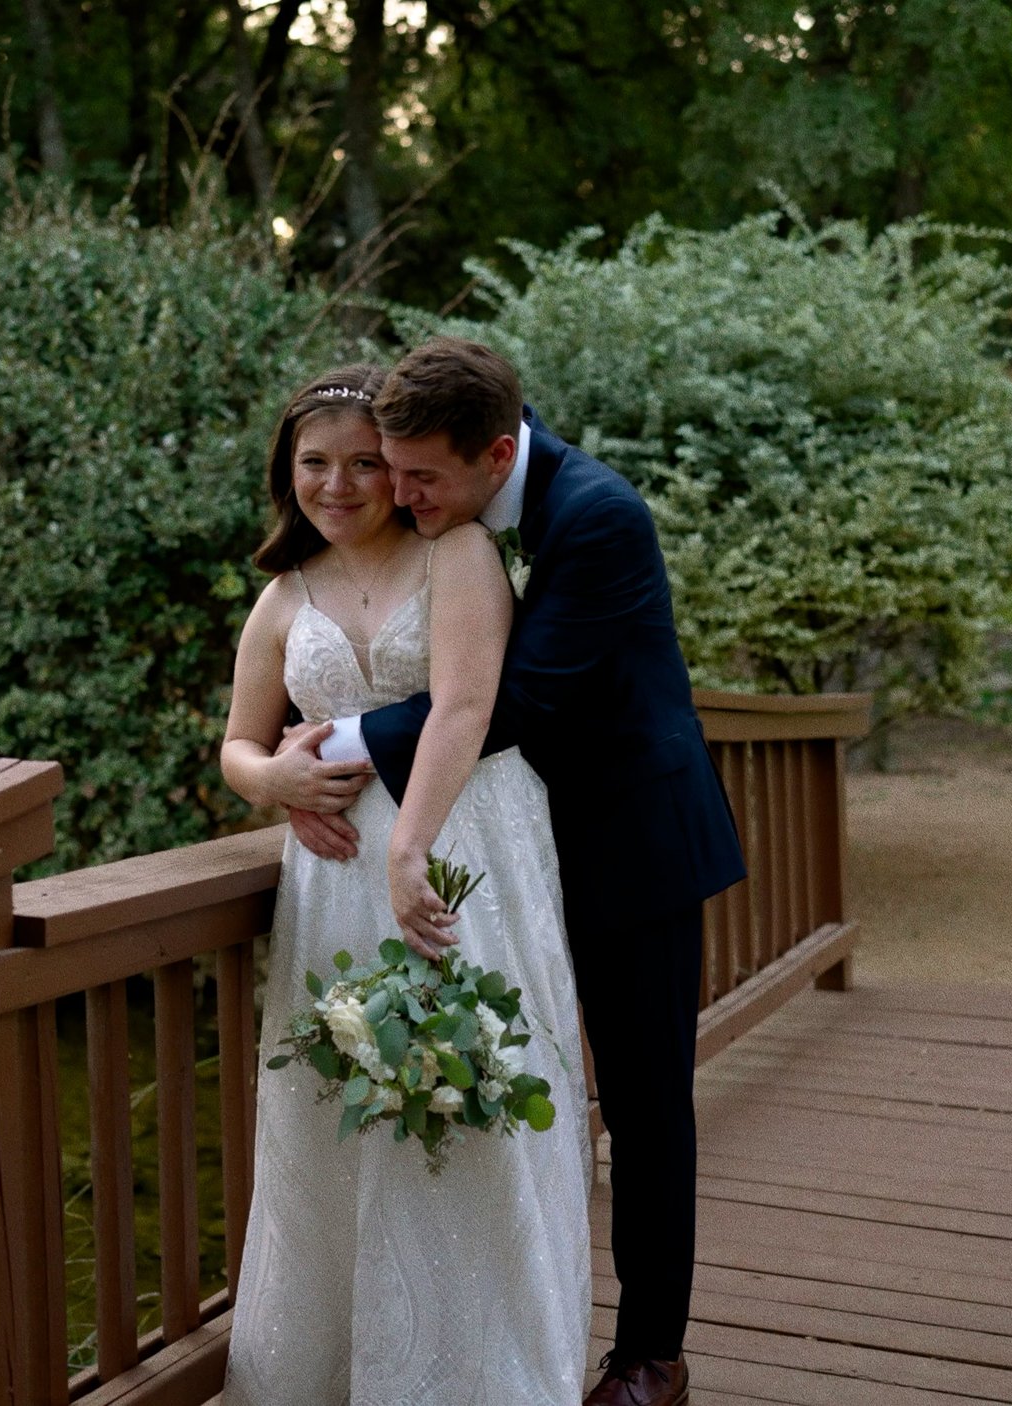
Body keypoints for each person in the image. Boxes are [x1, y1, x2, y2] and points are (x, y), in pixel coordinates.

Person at [295, 337, 745, 1406]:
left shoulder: (596, 516)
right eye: (390, 472)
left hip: (629, 839)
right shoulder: (470, 509)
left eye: (419, 478)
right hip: (512, 848)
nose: (399, 497)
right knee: (509, 1083)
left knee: (643, 1101)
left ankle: (650, 1355)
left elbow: (516, 698)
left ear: (499, 452)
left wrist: (326, 743)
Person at [217, 363, 593, 1404]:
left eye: (363, 463)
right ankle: (342, 1364)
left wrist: (406, 846)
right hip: (330, 884)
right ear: (285, 473)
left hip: (461, 851)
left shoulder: (459, 552)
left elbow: (468, 705)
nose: (336, 484)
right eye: (312, 463)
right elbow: (237, 747)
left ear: (398, 470)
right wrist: (276, 778)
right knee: (347, 1094)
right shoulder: (284, 596)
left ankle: (482, 1371)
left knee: (473, 1087)